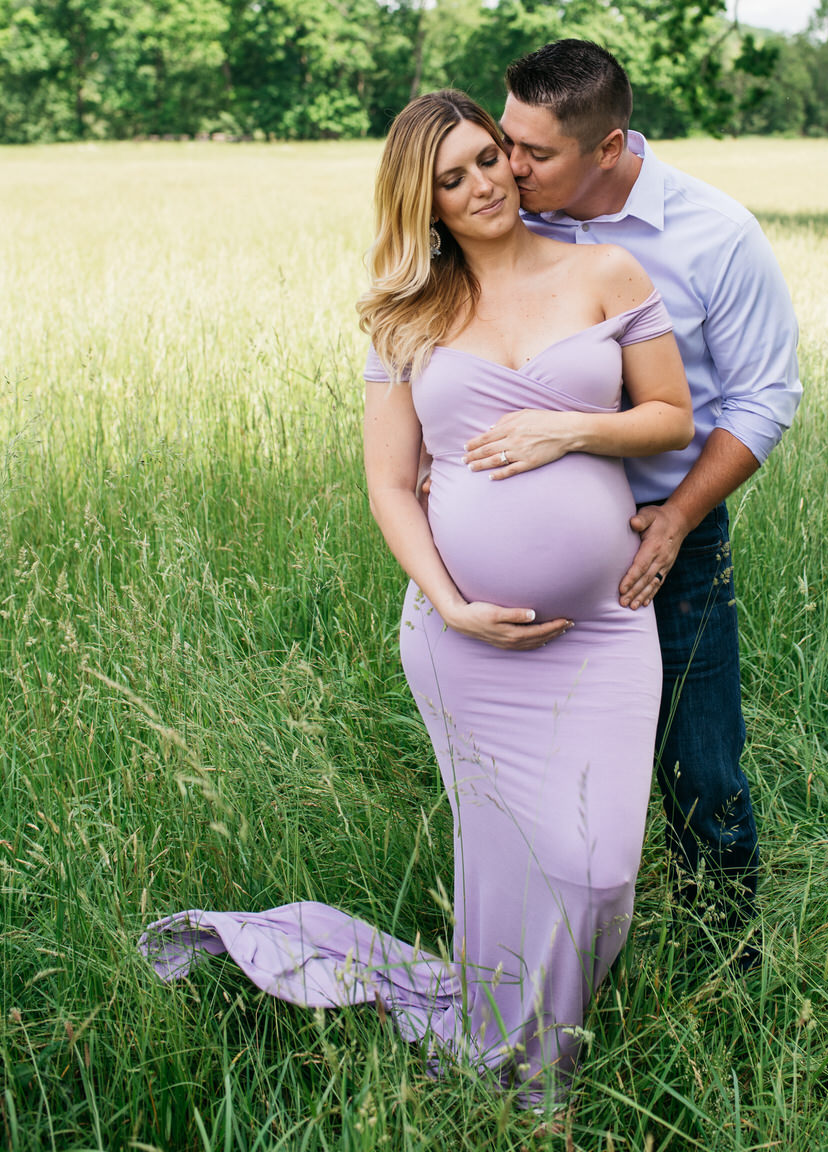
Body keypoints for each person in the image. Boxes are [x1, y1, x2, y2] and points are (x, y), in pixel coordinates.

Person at [139, 89, 693, 1107]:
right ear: (424, 202)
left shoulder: (601, 271)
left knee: (601, 870)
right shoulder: (407, 317)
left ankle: (498, 1032)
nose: (484, 183)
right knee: (517, 868)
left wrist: (571, 430)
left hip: (606, 632)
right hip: (467, 644)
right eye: (454, 177)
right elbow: (392, 484)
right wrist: (450, 602)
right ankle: (533, 1089)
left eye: (490, 158)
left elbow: (668, 414)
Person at [499, 39, 802, 954]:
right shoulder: (506, 221)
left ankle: (723, 974)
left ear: (609, 146)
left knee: (700, 771)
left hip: (670, 547)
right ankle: (551, 961)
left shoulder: (715, 232)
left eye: (534, 153)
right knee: (543, 774)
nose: (509, 168)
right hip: (530, 552)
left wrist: (677, 517)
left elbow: (764, 396)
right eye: (506, 140)